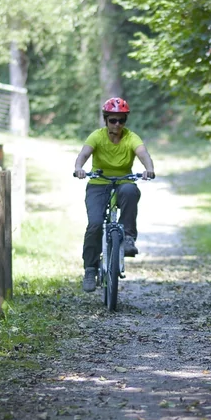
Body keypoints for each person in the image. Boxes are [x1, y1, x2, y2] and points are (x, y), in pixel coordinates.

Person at [73, 97, 155, 292]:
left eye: (121, 120)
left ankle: (127, 238)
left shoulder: (131, 137)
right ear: (105, 120)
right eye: (113, 120)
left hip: (123, 182)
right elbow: (84, 154)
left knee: (130, 190)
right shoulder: (97, 136)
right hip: (98, 184)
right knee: (94, 224)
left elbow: (143, 153)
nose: (117, 124)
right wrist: (79, 168)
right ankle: (90, 269)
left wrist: (149, 169)